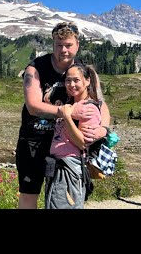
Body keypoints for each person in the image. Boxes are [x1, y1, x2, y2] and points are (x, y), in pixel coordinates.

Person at [16, 21, 110, 209]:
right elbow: (33, 106)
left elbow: (101, 104)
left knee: (64, 198)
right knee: (28, 194)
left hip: (67, 146)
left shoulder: (85, 72)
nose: (64, 50)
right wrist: (67, 111)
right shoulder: (35, 69)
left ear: (77, 45)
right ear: (53, 45)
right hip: (34, 140)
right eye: (59, 45)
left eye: (68, 45)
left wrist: (103, 129)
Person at [44, 63, 102, 209]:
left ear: (87, 81)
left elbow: (82, 143)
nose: (71, 84)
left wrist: (68, 118)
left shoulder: (89, 109)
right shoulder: (70, 105)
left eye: (76, 80)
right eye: (68, 80)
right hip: (58, 167)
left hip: (69, 168)